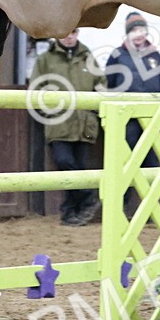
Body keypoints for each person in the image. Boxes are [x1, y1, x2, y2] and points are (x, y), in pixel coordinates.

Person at [30, 29, 105, 226]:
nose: (69, 36)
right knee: (65, 162)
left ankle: (71, 212)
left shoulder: (88, 57)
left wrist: (94, 113)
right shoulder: (45, 60)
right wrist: (49, 113)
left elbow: (101, 86)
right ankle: (88, 198)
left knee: (80, 167)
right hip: (58, 125)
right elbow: (35, 89)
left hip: (84, 124)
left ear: (78, 33)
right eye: (65, 33)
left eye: (73, 32)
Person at [104, 12, 160, 177]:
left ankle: (151, 200)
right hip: (127, 118)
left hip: (152, 117)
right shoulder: (117, 55)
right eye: (134, 30)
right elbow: (108, 84)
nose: (138, 34)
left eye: (141, 30)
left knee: (152, 161)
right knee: (126, 160)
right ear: (128, 33)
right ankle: (122, 201)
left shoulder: (155, 55)